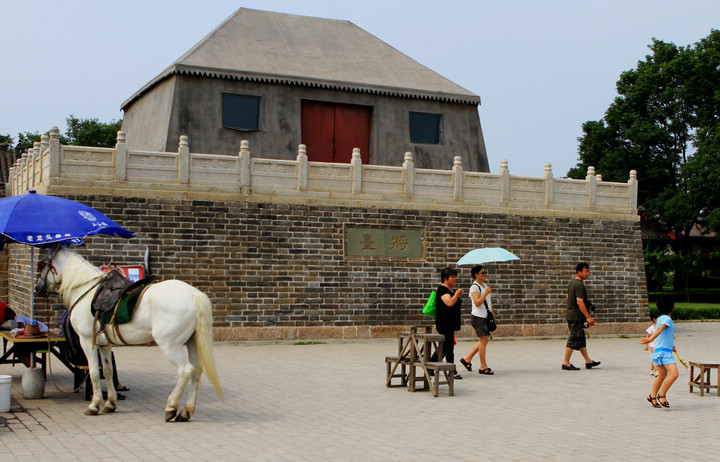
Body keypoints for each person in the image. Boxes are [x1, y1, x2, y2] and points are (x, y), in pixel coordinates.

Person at [562, 262, 601, 371]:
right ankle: (566, 362)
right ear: (579, 272)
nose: (588, 274)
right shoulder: (579, 285)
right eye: (586, 271)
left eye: (588, 271)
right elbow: (579, 301)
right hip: (575, 316)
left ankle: (588, 361)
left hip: (572, 315)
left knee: (580, 339)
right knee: (573, 338)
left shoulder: (572, 283)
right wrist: (588, 317)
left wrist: (587, 304)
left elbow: (568, 297)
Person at [640, 297, 678, 408]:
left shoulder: (660, 318)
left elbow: (663, 334)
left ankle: (652, 396)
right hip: (664, 353)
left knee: (661, 375)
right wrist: (649, 340)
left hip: (660, 350)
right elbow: (660, 330)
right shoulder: (667, 319)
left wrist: (671, 345)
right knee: (674, 374)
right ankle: (661, 395)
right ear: (672, 308)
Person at [460, 265, 495, 375]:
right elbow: (477, 303)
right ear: (476, 274)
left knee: (484, 341)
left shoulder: (485, 285)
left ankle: (467, 359)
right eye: (482, 273)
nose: (485, 274)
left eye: (485, 272)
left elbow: (489, 303)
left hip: (485, 316)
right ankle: (483, 366)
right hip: (478, 316)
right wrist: (486, 292)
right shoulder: (475, 287)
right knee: (484, 341)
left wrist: (493, 315)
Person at [430, 267, 463, 379]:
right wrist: (457, 294)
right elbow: (449, 303)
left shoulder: (449, 290)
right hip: (445, 323)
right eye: (452, 277)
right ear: (445, 278)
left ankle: (430, 364)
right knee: (449, 347)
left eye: (455, 276)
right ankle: (451, 370)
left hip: (450, 323)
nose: (454, 279)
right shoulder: (442, 290)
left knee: (444, 348)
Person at [644, 312, 659, 376]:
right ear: (654, 319)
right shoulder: (651, 328)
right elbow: (647, 337)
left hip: (659, 345)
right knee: (655, 357)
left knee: (654, 358)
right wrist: (646, 345)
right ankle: (657, 371)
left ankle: (651, 370)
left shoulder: (661, 328)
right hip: (652, 345)